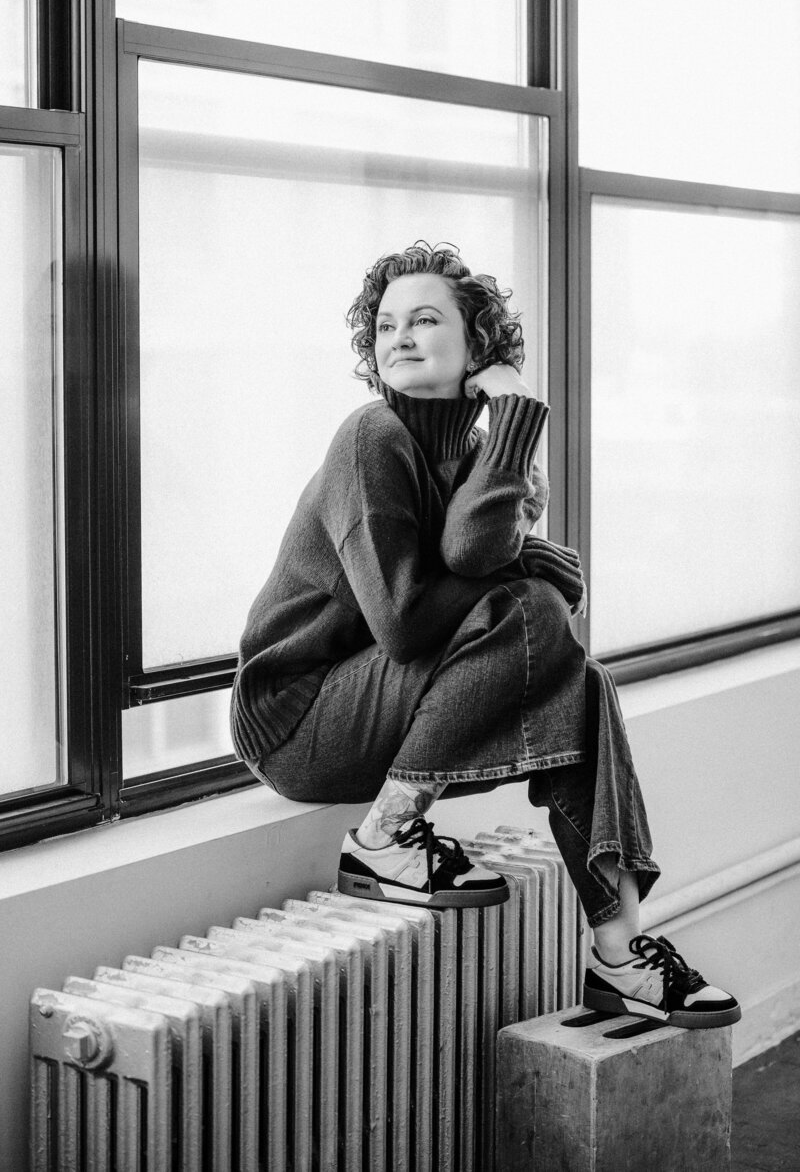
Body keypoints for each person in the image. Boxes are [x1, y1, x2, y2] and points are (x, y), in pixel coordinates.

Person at [231, 240, 740, 1031]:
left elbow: (470, 550)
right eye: (386, 323)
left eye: (425, 318)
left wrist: (511, 424)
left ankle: (621, 953)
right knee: (533, 608)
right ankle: (386, 833)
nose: (398, 335)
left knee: (582, 682)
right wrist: (524, 559)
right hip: (298, 717)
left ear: (478, 347)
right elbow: (401, 623)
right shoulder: (370, 439)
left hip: (375, 702)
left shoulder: (484, 452)